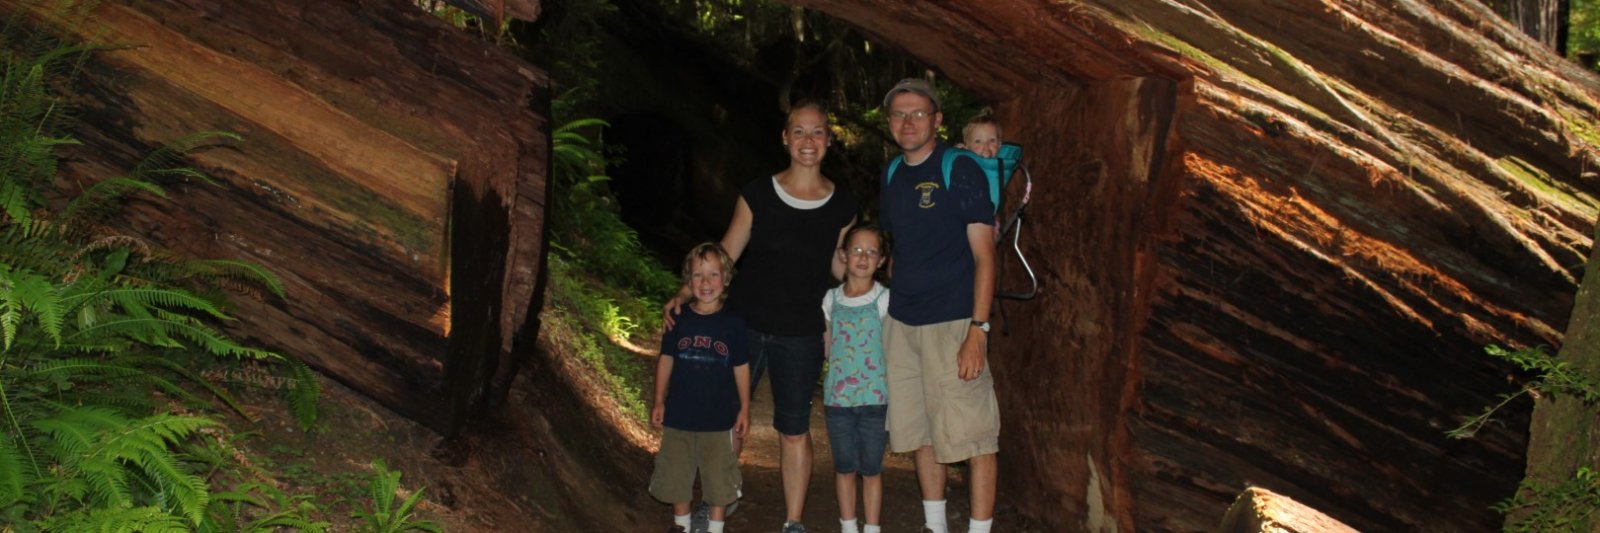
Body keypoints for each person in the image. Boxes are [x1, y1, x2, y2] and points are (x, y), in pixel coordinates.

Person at [663, 100, 858, 533]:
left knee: (794, 429)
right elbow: (727, 253)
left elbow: (839, 268)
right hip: (744, 325)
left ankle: (793, 521)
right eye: (799, 132)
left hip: (801, 332)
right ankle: (719, 501)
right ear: (785, 138)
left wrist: (869, 277)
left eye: (818, 132)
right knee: (727, 418)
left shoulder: (843, 207)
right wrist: (683, 293)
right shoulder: (757, 193)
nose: (809, 141)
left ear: (829, 139)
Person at [878, 78, 1000, 533]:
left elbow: (986, 255)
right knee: (920, 433)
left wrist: (978, 329)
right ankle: (935, 526)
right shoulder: (892, 173)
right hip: (903, 323)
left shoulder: (959, 168)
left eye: (917, 113)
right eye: (899, 114)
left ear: (937, 120)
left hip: (953, 323)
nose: (907, 122)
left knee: (973, 437)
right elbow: (900, 247)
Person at [650, 243, 751, 533]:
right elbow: (666, 359)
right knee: (677, 474)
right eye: (697, 275)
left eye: (713, 275)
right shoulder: (678, 318)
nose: (705, 283)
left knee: (719, 478)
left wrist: (744, 408)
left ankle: (714, 529)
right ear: (688, 280)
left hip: (719, 419)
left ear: (726, 278)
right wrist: (659, 400)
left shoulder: (733, 322)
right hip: (679, 415)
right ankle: (681, 526)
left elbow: (741, 366)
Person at [821, 223, 891, 533]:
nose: (863, 257)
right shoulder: (830, 299)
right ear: (843, 255)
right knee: (845, 467)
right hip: (838, 401)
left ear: (881, 261)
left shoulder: (885, 299)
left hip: (876, 400)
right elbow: (827, 346)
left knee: (872, 469)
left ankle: (872, 527)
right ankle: (849, 526)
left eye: (871, 252)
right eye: (856, 250)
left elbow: (892, 347)